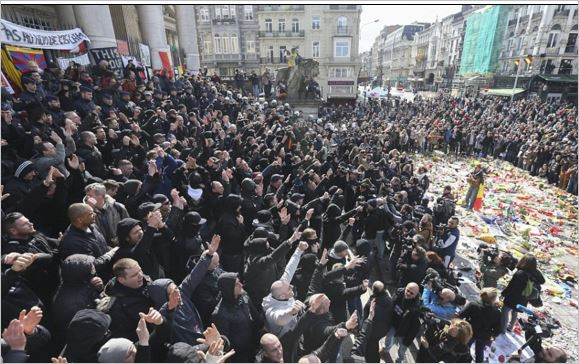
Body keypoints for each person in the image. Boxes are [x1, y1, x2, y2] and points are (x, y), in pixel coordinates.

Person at [501, 254, 545, 333]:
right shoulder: (535, 273)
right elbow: (542, 281)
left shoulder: (520, 273)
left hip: (513, 297)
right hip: (524, 298)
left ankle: (502, 329)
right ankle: (510, 327)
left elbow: (511, 286)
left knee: (505, 311)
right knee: (515, 311)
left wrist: (503, 294)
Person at [458, 287, 502, 363]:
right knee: (479, 351)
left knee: (464, 348)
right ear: (494, 299)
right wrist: (494, 335)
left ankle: (461, 361)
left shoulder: (473, 305)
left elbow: (461, 315)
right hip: (484, 335)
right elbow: (498, 330)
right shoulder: (497, 313)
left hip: (470, 331)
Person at [382, 282, 421, 363]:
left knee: (402, 348)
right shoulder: (399, 293)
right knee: (388, 338)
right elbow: (391, 304)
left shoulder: (416, 309)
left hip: (404, 331)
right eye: (408, 290)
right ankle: (385, 350)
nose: (408, 293)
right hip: (393, 324)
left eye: (412, 293)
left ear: (416, 295)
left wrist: (408, 341)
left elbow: (414, 328)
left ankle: (399, 360)